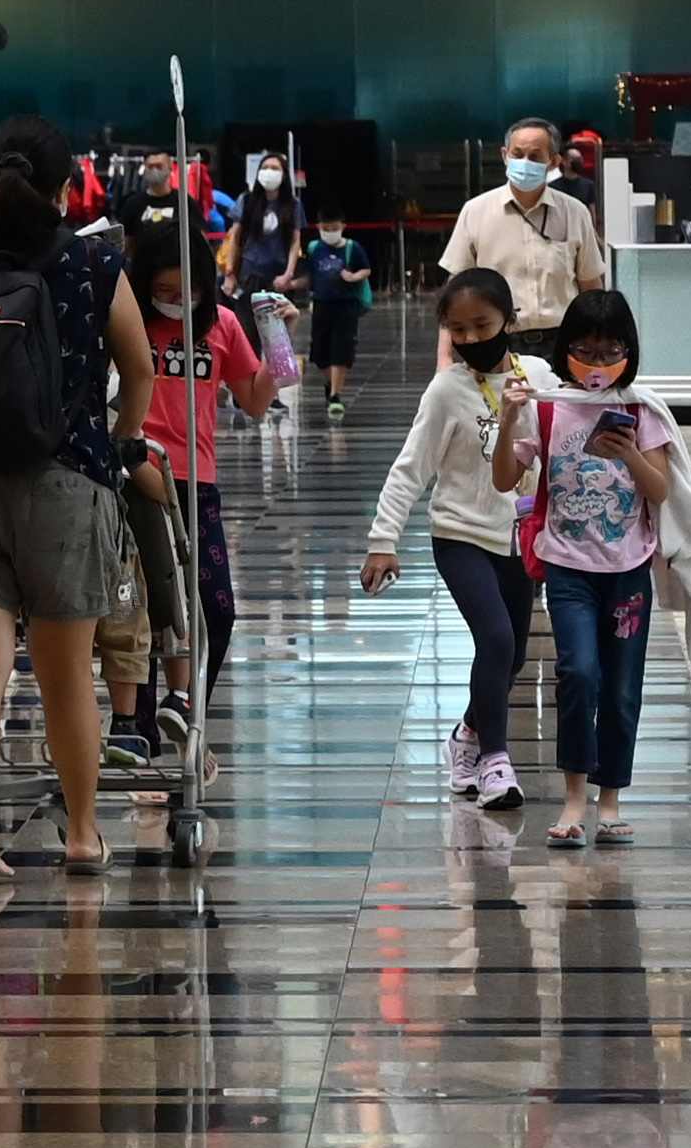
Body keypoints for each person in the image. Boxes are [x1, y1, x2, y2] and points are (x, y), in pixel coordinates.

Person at [0, 114, 156, 888]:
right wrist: (120, 439)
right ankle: (81, 836)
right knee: (65, 674)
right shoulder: (91, 264)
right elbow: (138, 370)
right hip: (63, 479)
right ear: (63, 187)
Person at [490, 284, 691, 850]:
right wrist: (510, 420)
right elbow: (506, 479)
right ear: (565, 351)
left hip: (629, 567)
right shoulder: (550, 405)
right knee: (578, 673)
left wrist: (627, 452)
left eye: (612, 352)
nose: (599, 364)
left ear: (629, 350)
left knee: (623, 684)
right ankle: (575, 796)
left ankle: (611, 798)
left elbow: (660, 488)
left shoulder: (641, 408)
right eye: (587, 350)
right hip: (567, 565)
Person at [364, 265, 535, 814]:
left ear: (509, 320)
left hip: (519, 538)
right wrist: (382, 539)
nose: (469, 340)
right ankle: (494, 760)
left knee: (511, 658)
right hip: (460, 535)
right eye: (457, 331)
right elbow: (410, 468)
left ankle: (465, 733)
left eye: (481, 326)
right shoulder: (445, 390)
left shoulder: (539, 378)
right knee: (497, 638)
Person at [113, 195, 277, 763]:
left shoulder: (223, 325)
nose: (177, 302)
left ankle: (187, 713)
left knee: (212, 606)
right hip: (131, 473)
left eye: (189, 292)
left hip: (194, 482)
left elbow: (255, 401)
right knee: (144, 604)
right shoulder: (127, 322)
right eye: (164, 291)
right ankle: (134, 724)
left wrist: (277, 339)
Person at [446, 112, 612, 350]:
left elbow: (590, 286)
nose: (525, 162)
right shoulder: (475, 211)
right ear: (505, 156)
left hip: (563, 343)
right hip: (497, 343)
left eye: (535, 156)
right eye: (517, 154)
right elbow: (455, 292)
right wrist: (445, 358)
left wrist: (597, 344)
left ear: (553, 162)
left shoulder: (574, 213)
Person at [299, 217, 377, 416]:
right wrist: (291, 284)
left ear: (343, 226)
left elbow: (366, 269)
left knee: (341, 350)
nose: (330, 232)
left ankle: (335, 395)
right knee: (319, 353)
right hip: (321, 304)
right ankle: (329, 382)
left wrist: (353, 276)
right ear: (319, 227)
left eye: (334, 228)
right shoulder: (314, 248)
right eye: (326, 228)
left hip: (346, 305)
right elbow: (309, 275)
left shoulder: (353, 247)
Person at [222, 150, 304, 299]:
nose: (269, 171)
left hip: (279, 275)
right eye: (265, 167)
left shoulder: (293, 204)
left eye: (274, 168)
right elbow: (234, 238)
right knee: (246, 320)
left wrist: (288, 274)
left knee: (279, 320)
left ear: (284, 174)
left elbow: (295, 241)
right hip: (249, 274)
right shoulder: (246, 200)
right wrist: (229, 272)